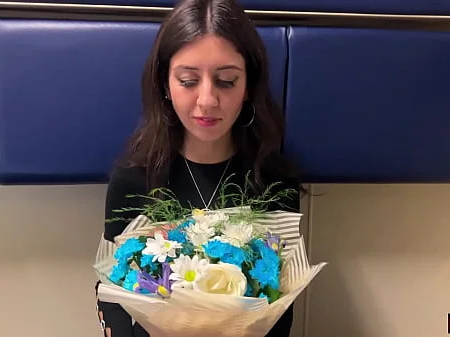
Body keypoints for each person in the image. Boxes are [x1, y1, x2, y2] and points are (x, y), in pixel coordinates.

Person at [95, 0, 305, 335]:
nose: (207, 100)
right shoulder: (133, 178)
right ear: (165, 85)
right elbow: (111, 289)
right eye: (189, 81)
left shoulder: (274, 180)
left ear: (248, 86)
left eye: (226, 81)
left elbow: (281, 303)